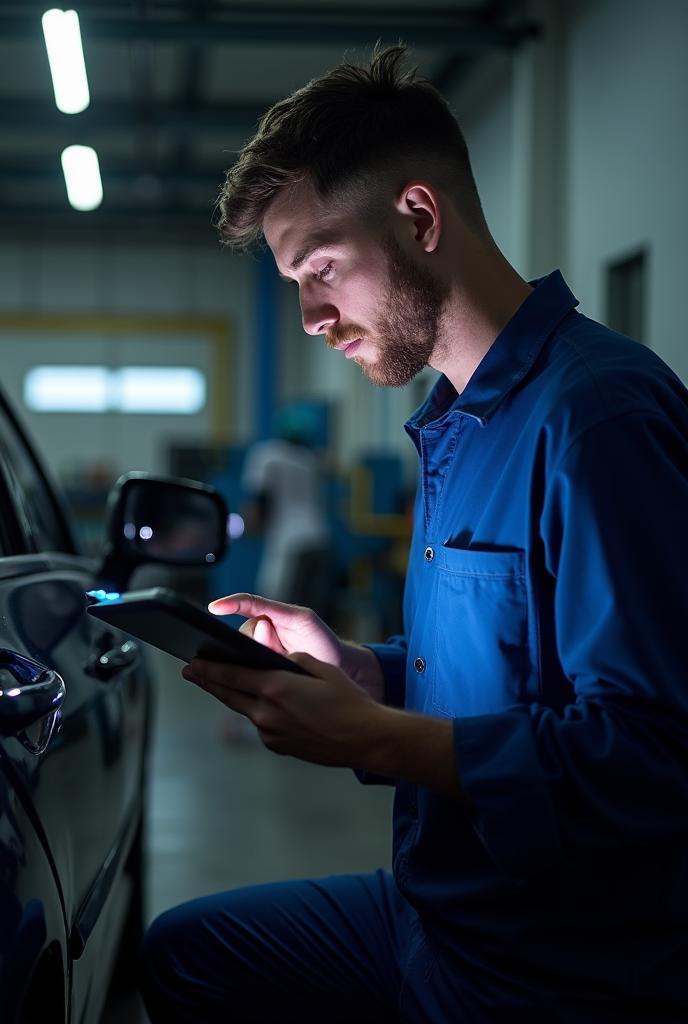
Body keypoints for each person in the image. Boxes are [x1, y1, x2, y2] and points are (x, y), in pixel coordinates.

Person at [139, 45, 688, 1023]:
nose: (309, 316)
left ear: (419, 217)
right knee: (187, 953)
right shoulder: (449, 422)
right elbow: (516, 667)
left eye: (321, 270)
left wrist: (384, 740)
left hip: (550, 960)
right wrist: (365, 672)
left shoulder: (597, 419)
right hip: (436, 911)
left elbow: (650, 754)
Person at [241, 410, 332, 616]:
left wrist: (250, 524)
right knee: (312, 613)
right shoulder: (310, 460)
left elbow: (259, 500)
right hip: (320, 539)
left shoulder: (266, 454)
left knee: (278, 609)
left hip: (289, 543)